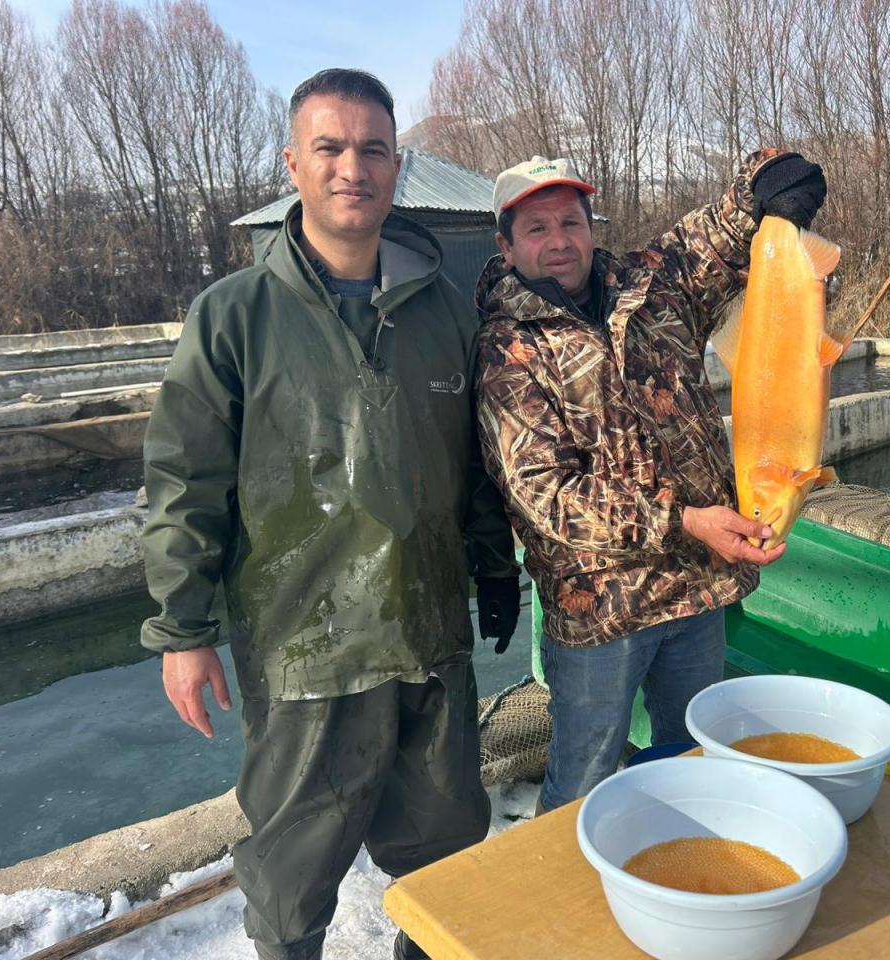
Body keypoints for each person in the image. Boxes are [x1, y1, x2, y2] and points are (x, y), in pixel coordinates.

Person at [139, 68, 520, 960]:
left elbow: (476, 465)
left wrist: (495, 565)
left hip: (429, 639)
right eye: (331, 147)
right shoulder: (232, 317)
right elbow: (184, 480)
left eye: (374, 149)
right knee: (290, 879)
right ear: (293, 165)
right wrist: (182, 630)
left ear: (397, 167)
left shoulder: (448, 315)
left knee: (445, 858)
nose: (355, 167)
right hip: (303, 651)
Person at [474, 149, 826, 812]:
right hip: (601, 614)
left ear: (591, 227)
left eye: (570, 222)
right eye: (537, 228)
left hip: (695, 591)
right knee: (582, 778)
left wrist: (770, 184)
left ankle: (683, 857)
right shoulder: (507, 351)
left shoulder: (652, 285)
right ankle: (566, 877)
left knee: (694, 759)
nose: (558, 241)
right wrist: (685, 521)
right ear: (507, 245)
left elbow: (717, 234)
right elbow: (547, 495)